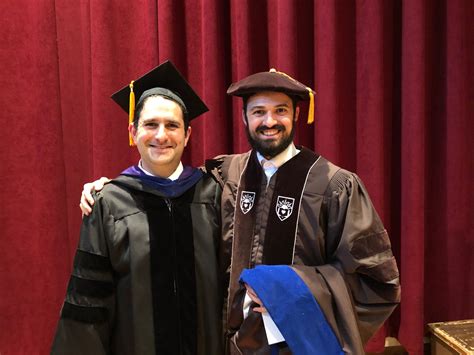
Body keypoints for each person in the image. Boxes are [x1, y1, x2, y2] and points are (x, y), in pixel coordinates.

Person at [81, 69, 401, 354]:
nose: (270, 121)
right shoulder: (225, 175)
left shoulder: (334, 185)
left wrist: (288, 291)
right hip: (230, 345)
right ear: (244, 118)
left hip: (298, 344)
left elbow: (377, 281)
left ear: (297, 114)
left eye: (280, 111)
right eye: (258, 111)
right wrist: (111, 188)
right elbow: (166, 193)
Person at [53, 61, 223, 355]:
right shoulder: (109, 202)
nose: (161, 136)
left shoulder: (215, 195)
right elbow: (90, 301)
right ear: (132, 131)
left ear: (187, 135)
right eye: (150, 124)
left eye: (172, 125)